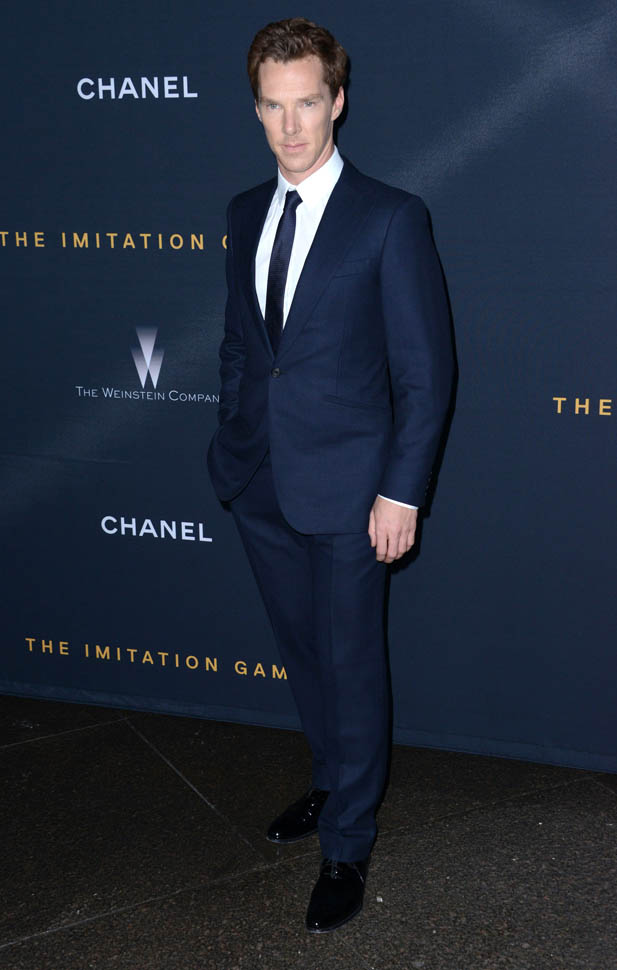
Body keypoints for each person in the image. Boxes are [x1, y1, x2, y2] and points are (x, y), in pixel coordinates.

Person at [207, 17, 454, 933]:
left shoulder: (390, 217)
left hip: (352, 493)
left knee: (350, 666)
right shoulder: (243, 211)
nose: (291, 126)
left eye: (306, 103)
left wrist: (401, 490)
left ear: (337, 101)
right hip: (260, 482)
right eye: (273, 107)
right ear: (256, 110)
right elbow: (243, 346)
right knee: (305, 654)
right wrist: (231, 439)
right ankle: (326, 782)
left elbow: (426, 373)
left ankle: (348, 842)